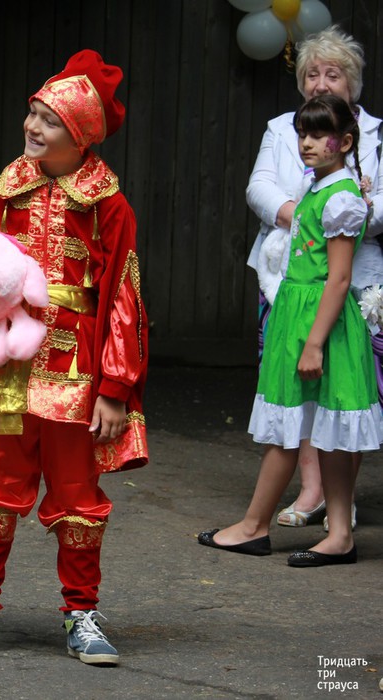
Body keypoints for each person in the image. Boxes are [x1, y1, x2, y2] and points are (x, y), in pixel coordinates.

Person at [0, 50, 149, 665]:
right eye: (33, 113)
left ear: (82, 135)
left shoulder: (109, 205)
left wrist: (116, 388)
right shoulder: (4, 189)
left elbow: (124, 298)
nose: (32, 126)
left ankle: (81, 612)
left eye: (49, 120)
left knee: (78, 496)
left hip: (76, 376)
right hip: (8, 371)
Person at [200, 95, 382, 567]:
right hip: (298, 316)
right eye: (302, 133)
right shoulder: (319, 188)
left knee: (292, 430)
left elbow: (339, 278)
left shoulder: (341, 198)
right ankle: (335, 534)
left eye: (319, 134)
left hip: (321, 325)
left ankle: (256, 527)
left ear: (345, 142)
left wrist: (315, 343)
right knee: (311, 430)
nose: (307, 143)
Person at [246, 26, 383, 532]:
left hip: (349, 277)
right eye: (311, 74)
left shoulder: (369, 141)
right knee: (298, 390)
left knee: (342, 390)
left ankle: (337, 509)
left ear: (353, 83)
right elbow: (260, 186)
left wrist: (333, 217)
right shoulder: (284, 128)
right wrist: (301, 215)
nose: (321, 82)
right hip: (290, 276)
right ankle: (312, 491)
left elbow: (365, 209)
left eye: (333, 74)